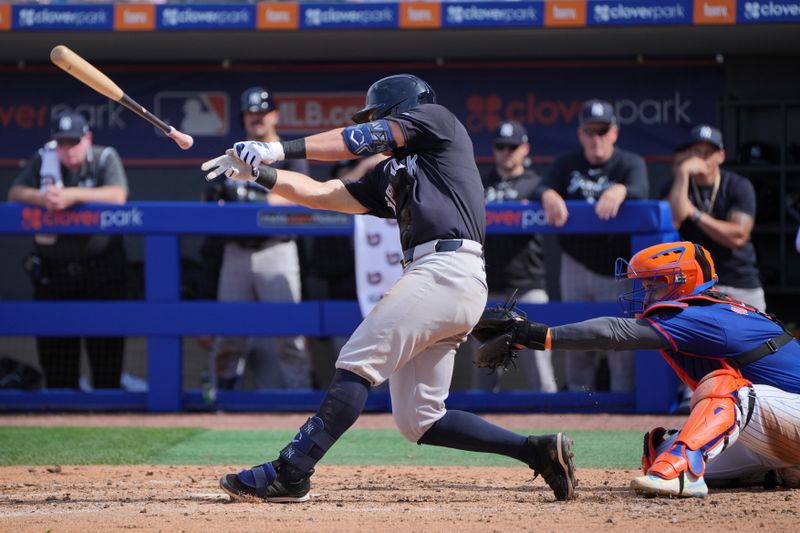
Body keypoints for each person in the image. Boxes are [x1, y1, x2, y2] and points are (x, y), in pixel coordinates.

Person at [201, 73, 576, 502]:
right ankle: (540, 452)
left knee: (357, 360)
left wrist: (276, 147)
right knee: (419, 420)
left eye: (380, 114)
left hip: (447, 267)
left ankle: (291, 471)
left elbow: (358, 138)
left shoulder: (438, 121)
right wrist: (261, 174)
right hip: (444, 278)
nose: (375, 122)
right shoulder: (392, 170)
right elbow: (325, 193)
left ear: (400, 108)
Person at [471, 240, 800, 498]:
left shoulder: (704, 315)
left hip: (791, 413)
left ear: (679, 283)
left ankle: (684, 475)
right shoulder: (708, 309)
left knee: (724, 387)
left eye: (652, 284)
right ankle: (777, 471)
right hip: (781, 426)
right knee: (660, 449)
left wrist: (533, 335)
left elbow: (614, 333)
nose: (643, 294)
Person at [8, 111, 128, 389]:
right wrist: (41, 197)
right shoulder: (45, 159)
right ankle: (61, 410)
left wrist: (72, 196)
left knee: (106, 354)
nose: (68, 150)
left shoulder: (103, 157)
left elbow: (117, 195)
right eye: (62, 143)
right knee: (57, 356)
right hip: (55, 273)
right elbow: (15, 192)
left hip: (101, 272)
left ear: (87, 138)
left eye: (73, 142)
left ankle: (107, 414)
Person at [535, 99, 649, 393]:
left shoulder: (629, 163)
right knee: (576, 341)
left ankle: (622, 410)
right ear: (581, 134)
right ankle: (579, 405)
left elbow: (643, 191)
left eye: (602, 130)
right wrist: (548, 194)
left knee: (619, 344)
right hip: (576, 262)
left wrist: (622, 189)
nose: (596, 138)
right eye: (590, 131)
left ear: (614, 132)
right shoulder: (566, 163)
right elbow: (539, 185)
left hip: (618, 268)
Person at [203, 86, 312, 391]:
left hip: (277, 249)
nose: (257, 119)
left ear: (274, 116)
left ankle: (300, 400)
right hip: (236, 251)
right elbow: (212, 204)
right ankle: (220, 403)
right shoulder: (232, 156)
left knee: (289, 336)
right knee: (228, 337)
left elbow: (297, 198)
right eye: (251, 113)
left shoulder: (289, 154)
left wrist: (248, 201)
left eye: (262, 113)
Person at [477, 120, 556, 393]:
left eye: (513, 146)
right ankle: (478, 428)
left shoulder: (537, 183)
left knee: (539, 361)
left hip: (528, 283)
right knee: (485, 365)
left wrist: (548, 196)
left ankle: (555, 418)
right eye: (501, 146)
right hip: (488, 285)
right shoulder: (480, 182)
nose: (507, 152)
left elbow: (557, 205)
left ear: (525, 149)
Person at [666, 124, 765, 312]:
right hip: (695, 285)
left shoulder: (738, 185)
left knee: (753, 340)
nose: (702, 157)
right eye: (697, 151)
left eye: (708, 152)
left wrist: (695, 214)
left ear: (721, 156)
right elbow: (673, 221)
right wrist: (682, 173)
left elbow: (738, 236)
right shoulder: (678, 186)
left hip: (738, 282)